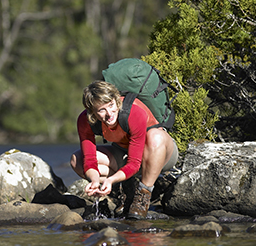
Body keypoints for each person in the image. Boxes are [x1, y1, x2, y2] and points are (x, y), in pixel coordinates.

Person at [70, 80, 179, 219]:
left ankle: (143, 195)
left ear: (116, 100)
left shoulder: (133, 112)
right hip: (125, 153)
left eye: (111, 105)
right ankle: (125, 189)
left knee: (155, 136)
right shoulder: (85, 120)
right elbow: (89, 160)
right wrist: (95, 180)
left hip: (160, 155)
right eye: (102, 110)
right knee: (76, 160)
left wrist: (110, 180)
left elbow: (134, 163)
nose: (109, 113)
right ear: (92, 112)